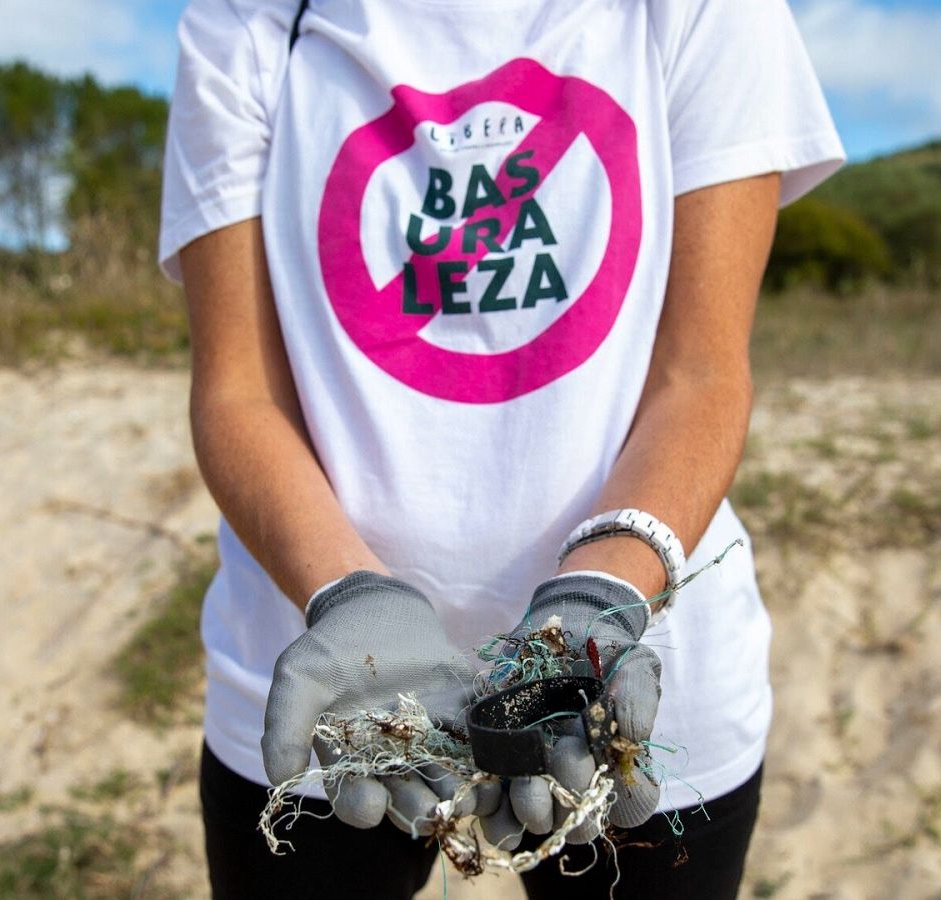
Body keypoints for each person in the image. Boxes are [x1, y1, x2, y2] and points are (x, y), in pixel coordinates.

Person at [160, 0, 843, 896]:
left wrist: (599, 595)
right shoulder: (247, 23)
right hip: (324, 688)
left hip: (628, 686)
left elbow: (702, 375)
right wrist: (347, 596)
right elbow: (236, 391)